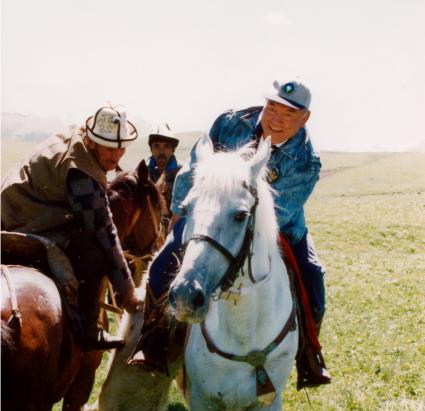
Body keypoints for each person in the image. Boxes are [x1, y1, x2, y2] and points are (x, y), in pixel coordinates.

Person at [130, 80, 331, 387]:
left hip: (279, 225)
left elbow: (278, 214)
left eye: (288, 114)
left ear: (305, 118)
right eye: (272, 108)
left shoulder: (306, 160)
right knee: (161, 266)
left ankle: (307, 356)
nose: (275, 119)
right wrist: (181, 212)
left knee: (313, 281)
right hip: (209, 212)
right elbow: (193, 169)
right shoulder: (230, 122)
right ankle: (153, 342)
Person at [1, 104, 142, 350]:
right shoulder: (82, 171)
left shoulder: (77, 137)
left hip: (12, 204)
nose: (116, 155)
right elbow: (104, 232)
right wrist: (127, 290)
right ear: (92, 142)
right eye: (109, 148)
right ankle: (88, 332)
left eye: (121, 148)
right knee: (94, 251)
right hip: (25, 215)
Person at [147, 123, 182, 209]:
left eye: (166, 146)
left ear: (172, 150)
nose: (161, 151)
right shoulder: (143, 172)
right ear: (151, 149)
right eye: (157, 146)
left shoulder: (183, 172)